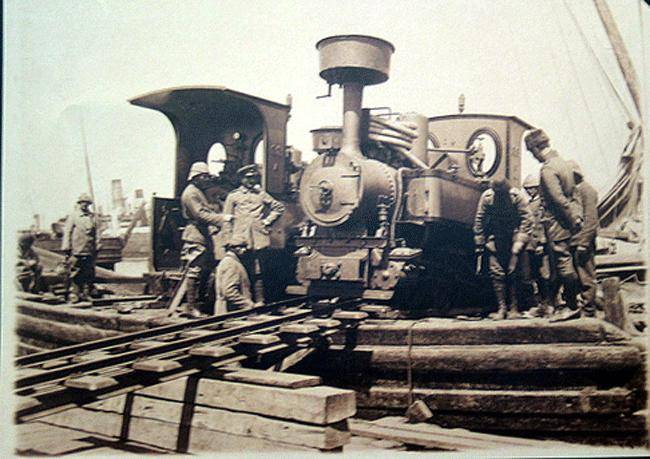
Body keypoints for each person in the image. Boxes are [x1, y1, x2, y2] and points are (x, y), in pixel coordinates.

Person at [524, 129, 583, 321]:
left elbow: (558, 200)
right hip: (566, 223)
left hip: (556, 224)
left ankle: (572, 306)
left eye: (531, 152)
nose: (533, 156)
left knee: (562, 264)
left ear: (536, 148)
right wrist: (576, 218)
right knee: (564, 264)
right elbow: (573, 196)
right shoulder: (563, 164)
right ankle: (563, 304)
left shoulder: (548, 169)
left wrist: (571, 219)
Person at [223, 164, 285, 302]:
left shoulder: (261, 194)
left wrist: (267, 222)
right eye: (248, 178)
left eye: (254, 178)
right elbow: (226, 219)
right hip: (239, 239)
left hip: (258, 237)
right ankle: (243, 301)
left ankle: (259, 300)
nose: (251, 181)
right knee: (239, 269)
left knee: (258, 270)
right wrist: (227, 240)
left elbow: (279, 208)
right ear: (241, 179)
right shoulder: (233, 196)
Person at [474, 178, 533, 320]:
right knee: (497, 273)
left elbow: (527, 219)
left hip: (514, 237)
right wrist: (480, 241)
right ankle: (502, 308)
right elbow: (479, 219)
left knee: (514, 273)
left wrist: (519, 242)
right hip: (495, 238)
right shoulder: (487, 197)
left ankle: (514, 308)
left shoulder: (517, 196)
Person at [180, 162, 232, 318]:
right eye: (204, 176)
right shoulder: (191, 193)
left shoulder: (198, 191)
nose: (207, 179)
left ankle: (200, 303)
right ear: (196, 177)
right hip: (195, 234)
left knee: (205, 269)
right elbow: (200, 214)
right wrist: (223, 219)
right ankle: (190, 307)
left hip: (203, 233)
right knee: (194, 270)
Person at [567, 160, 599, 317]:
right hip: (574, 240)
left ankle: (589, 310)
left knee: (586, 276)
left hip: (582, 242)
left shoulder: (587, 191)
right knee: (577, 277)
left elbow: (591, 220)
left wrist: (583, 243)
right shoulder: (575, 191)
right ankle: (581, 308)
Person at [521, 174, 553, 317]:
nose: (529, 191)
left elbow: (541, 224)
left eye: (531, 188)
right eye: (527, 189)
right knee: (531, 274)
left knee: (543, 275)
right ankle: (538, 304)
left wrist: (541, 242)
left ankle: (547, 303)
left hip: (539, 244)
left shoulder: (542, 203)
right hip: (530, 244)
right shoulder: (529, 203)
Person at [61, 193, 97, 302]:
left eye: (87, 203)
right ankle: (74, 294)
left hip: (89, 249)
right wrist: (66, 247)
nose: (84, 205)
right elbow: (67, 232)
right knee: (75, 271)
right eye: (82, 203)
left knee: (88, 272)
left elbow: (96, 232)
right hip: (77, 249)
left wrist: (97, 245)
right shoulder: (74, 216)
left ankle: (85, 293)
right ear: (79, 203)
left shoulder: (92, 216)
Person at [215, 236, 262, 314]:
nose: (244, 250)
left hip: (230, 311)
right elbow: (229, 292)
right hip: (231, 312)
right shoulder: (231, 264)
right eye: (240, 247)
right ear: (231, 248)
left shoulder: (230, 261)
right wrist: (248, 304)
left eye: (245, 247)